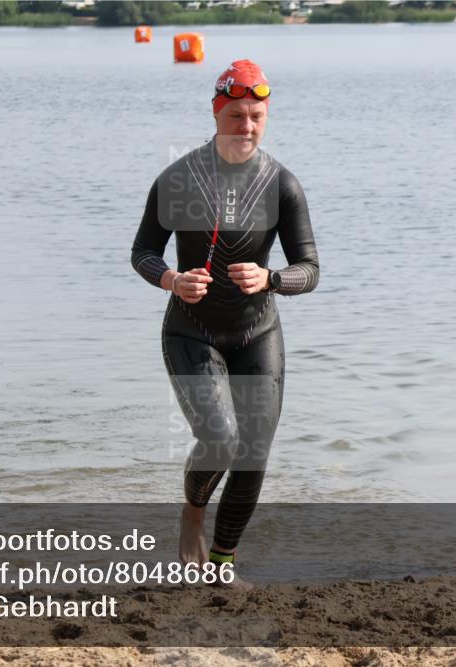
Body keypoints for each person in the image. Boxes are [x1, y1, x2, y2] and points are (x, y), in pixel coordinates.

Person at [131, 59, 319, 588]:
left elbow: (310, 269)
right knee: (220, 439)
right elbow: (143, 252)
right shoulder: (178, 178)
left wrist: (271, 279)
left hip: (258, 332)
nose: (247, 126)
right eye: (236, 115)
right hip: (191, 330)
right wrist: (172, 280)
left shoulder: (282, 184)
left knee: (252, 451)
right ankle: (193, 510)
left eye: (256, 116)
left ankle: (222, 566)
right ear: (216, 114)